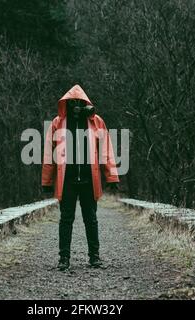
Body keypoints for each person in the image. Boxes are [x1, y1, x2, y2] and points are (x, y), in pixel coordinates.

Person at [42, 84, 119, 271]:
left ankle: (94, 258)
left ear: (85, 102)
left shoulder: (96, 122)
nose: (76, 105)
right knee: (66, 219)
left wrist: (111, 176)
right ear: (66, 103)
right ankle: (64, 259)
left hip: (89, 179)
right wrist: (47, 180)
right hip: (66, 180)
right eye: (72, 102)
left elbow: (105, 150)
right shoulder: (57, 123)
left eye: (79, 102)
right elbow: (49, 153)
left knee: (91, 219)